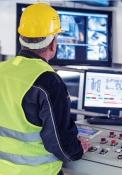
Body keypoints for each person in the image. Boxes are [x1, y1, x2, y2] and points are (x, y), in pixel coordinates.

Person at [0, 3, 91, 175]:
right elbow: (60, 144)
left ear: (22, 37)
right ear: (53, 44)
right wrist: (77, 148)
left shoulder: (2, 70)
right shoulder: (48, 82)